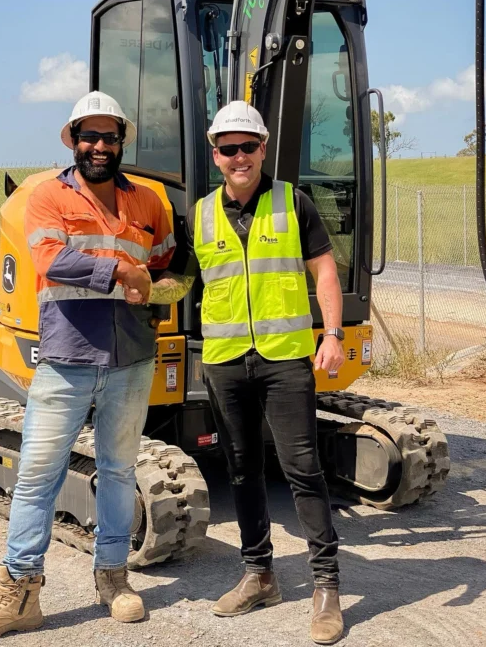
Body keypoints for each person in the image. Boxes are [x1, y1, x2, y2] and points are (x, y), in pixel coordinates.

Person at [0, 90, 175, 643]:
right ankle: (20, 593)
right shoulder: (47, 196)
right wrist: (127, 272)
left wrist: (161, 286)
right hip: (67, 358)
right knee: (36, 478)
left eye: (109, 136)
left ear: (122, 140)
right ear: (73, 141)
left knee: (120, 473)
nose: (99, 146)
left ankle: (113, 579)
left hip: (131, 360)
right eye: (88, 136)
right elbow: (54, 260)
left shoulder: (150, 202)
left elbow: (173, 268)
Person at [128, 100, 345, 645]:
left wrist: (334, 335)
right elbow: (181, 282)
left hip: (285, 360)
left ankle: (326, 586)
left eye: (248, 146)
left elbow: (324, 269)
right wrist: (137, 289)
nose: (239, 156)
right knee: (243, 469)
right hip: (225, 365)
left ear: (263, 149)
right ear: (215, 154)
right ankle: (260, 574)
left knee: (301, 468)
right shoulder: (199, 215)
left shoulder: (293, 203)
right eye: (229, 148)